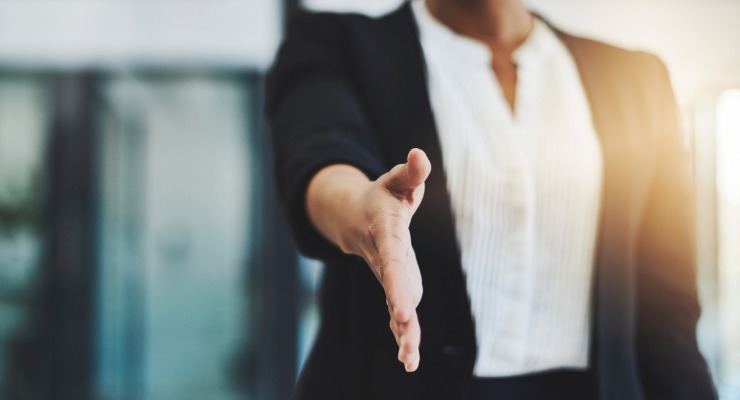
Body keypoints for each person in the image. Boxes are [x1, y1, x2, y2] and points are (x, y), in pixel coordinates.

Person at [266, 0, 717, 398]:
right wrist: (365, 212)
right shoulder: (337, 44)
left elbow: (667, 310)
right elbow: (321, 153)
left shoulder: (636, 80)